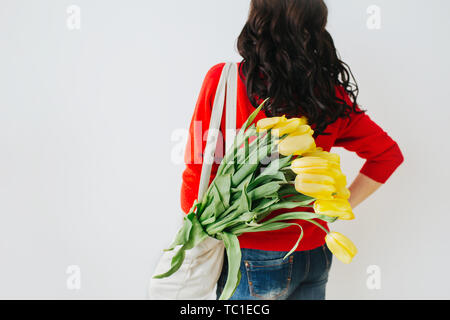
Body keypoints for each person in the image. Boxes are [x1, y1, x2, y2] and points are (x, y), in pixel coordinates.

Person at [180, 0, 404, 300]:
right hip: (315, 253)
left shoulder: (224, 82)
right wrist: (333, 211)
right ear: (313, 28)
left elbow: (197, 174)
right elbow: (387, 155)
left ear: (258, 20)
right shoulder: (328, 95)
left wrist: (198, 227)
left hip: (252, 258)